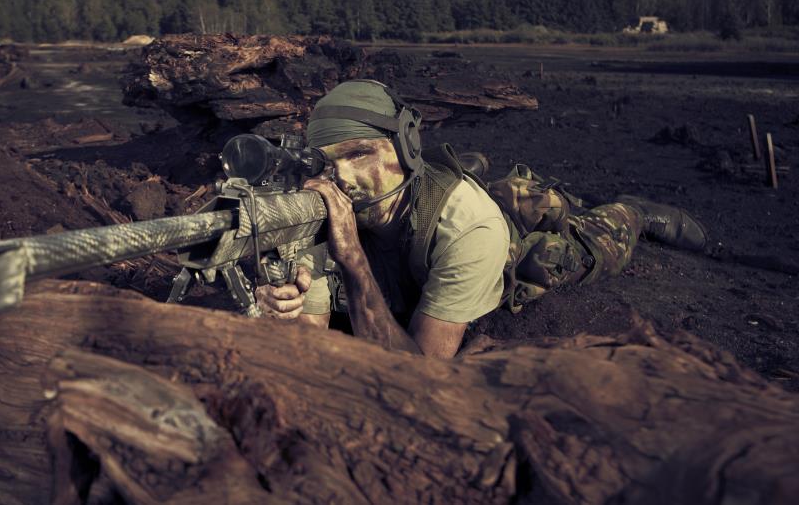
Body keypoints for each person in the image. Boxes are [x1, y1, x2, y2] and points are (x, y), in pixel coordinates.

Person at [254, 80, 708, 358]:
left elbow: (419, 373)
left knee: (583, 248)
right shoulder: (318, 203)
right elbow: (310, 347)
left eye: (360, 153)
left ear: (407, 146)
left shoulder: (469, 226)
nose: (345, 178)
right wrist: (287, 310)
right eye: (329, 162)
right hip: (428, 238)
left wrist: (351, 258)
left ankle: (634, 211)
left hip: (508, 246)